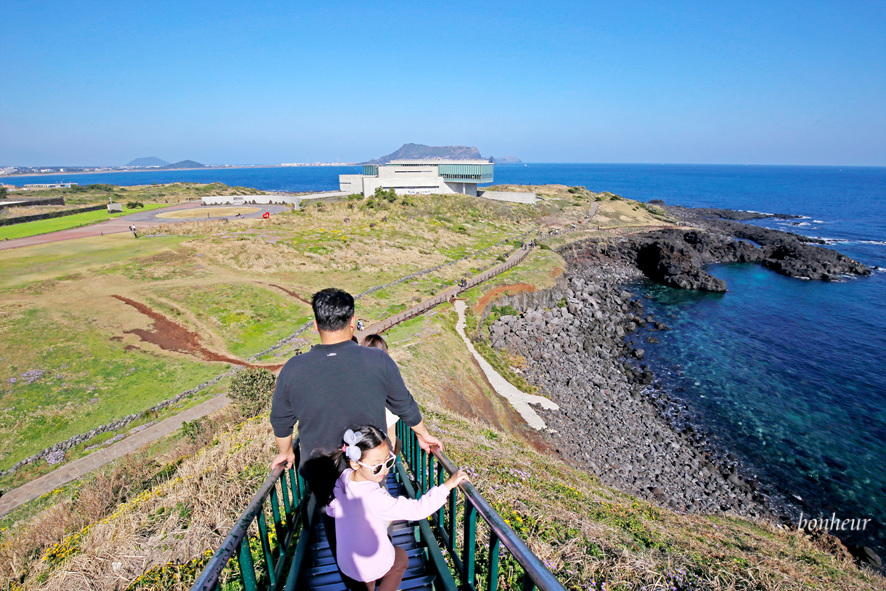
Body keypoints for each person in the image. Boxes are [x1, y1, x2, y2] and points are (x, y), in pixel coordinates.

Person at [270, 288, 442, 472]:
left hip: (319, 470)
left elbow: (281, 420)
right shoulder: (379, 360)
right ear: (353, 322)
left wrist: (286, 452)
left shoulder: (293, 368)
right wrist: (423, 435)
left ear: (316, 325)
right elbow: (404, 404)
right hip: (369, 470)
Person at [320, 425, 468, 591]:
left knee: (364, 583)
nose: (385, 470)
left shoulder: (344, 476)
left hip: (347, 563)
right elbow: (418, 509)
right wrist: (448, 485)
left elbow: (333, 510)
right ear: (355, 463)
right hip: (369, 564)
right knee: (402, 559)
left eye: (388, 461)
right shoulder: (374, 497)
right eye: (377, 467)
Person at [361, 334, 399, 449]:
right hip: (386, 418)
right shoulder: (388, 373)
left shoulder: (357, 373)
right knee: (394, 444)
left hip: (362, 432)